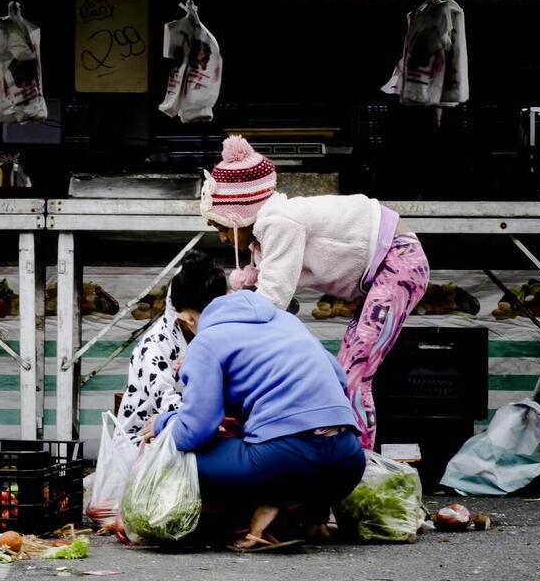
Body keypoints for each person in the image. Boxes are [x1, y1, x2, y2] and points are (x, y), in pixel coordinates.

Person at [199, 135, 430, 450]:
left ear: (240, 216)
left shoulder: (278, 222)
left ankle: (358, 464)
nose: (223, 239)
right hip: (384, 267)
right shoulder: (265, 236)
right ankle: (344, 454)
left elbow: (272, 302)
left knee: (355, 370)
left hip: (398, 261)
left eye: (222, 227)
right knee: (345, 367)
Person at [144, 251, 365, 550]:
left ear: (187, 318)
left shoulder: (207, 341)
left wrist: (163, 423)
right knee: (293, 448)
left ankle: (254, 510)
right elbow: (338, 380)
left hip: (281, 462)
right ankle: (309, 515)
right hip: (348, 461)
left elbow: (196, 430)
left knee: (178, 453)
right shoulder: (286, 320)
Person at [116, 296, 189, 446]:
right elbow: (164, 399)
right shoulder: (155, 344)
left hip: (178, 433)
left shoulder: (200, 338)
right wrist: (201, 422)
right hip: (142, 442)